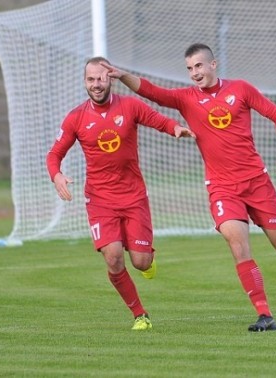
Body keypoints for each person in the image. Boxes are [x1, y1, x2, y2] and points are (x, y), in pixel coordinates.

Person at [102, 43, 276, 332]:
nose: (194, 73)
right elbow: (152, 92)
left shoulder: (241, 89)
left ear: (213, 64)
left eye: (198, 66)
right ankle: (264, 314)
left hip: (256, 182)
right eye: (189, 69)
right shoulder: (185, 98)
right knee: (238, 244)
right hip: (222, 188)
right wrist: (122, 76)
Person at [46, 56, 195, 330]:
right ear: (85, 82)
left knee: (140, 262)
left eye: (101, 78)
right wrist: (56, 175)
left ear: (111, 78)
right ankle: (140, 314)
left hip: (134, 196)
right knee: (113, 257)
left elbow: (157, 119)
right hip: (100, 200)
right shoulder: (76, 118)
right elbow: (54, 154)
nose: (96, 84)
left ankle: (146, 259)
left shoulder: (130, 106)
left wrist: (175, 128)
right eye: (91, 79)